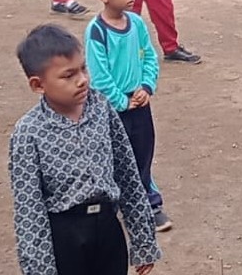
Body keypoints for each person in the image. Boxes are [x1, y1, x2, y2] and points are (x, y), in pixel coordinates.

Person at [10, 24, 161, 275]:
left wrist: (143, 239)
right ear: (38, 85)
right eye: (68, 75)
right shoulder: (28, 132)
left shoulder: (102, 109)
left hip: (108, 229)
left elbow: (128, 175)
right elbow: (29, 208)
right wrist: (39, 269)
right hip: (64, 237)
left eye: (83, 69)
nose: (82, 80)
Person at [84, 0, 174, 233]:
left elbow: (150, 57)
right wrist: (121, 102)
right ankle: (117, 204)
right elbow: (99, 76)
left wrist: (146, 87)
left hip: (140, 101)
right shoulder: (96, 31)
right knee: (115, 157)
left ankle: (149, 203)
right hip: (113, 109)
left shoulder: (136, 23)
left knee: (143, 153)